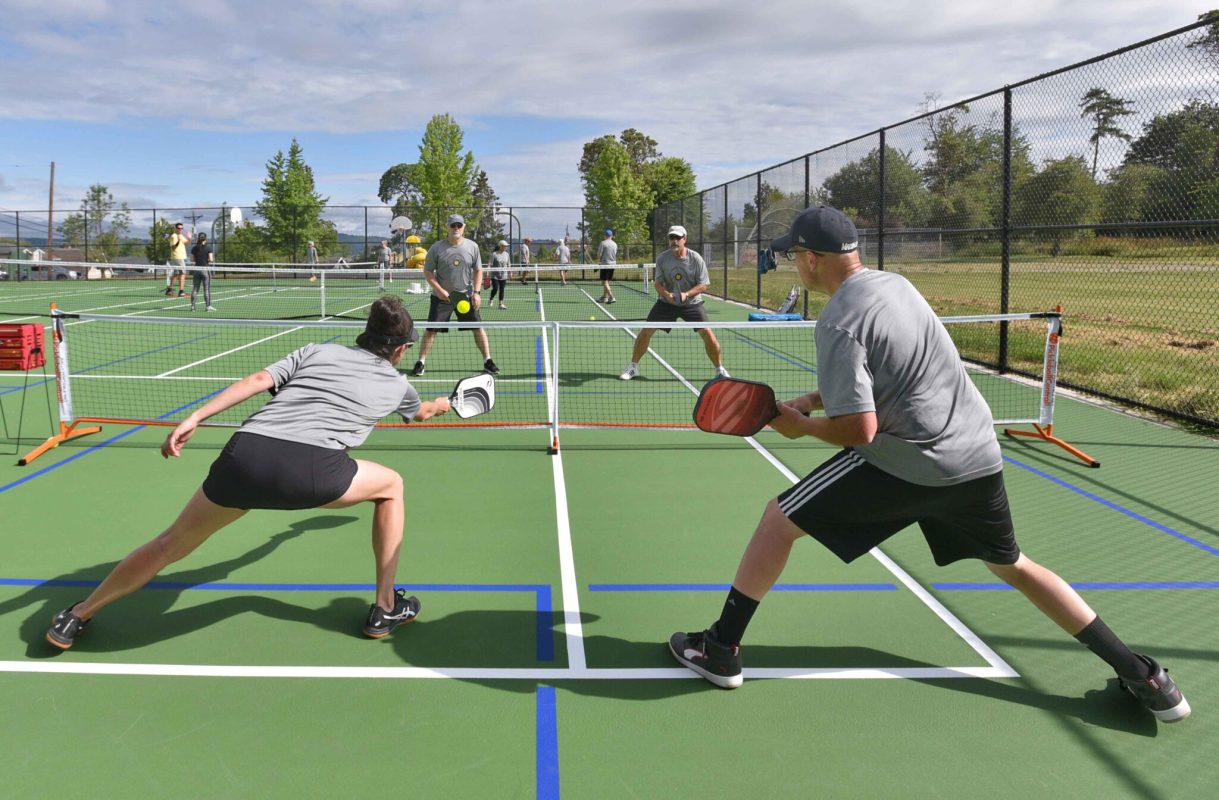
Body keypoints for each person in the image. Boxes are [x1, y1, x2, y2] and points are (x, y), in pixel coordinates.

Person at [667, 205, 1190, 724]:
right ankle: (1148, 680)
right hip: (977, 456)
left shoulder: (837, 323)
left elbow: (861, 431)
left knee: (777, 522)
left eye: (793, 255)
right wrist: (812, 399)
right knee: (1014, 567)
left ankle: (720, 649)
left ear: (812, 259)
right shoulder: (897, 285)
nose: (792, 264)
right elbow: (891, 376)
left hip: (909, 462)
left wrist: (801, 427)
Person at [45, 295, 453, 650]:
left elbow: (260, 380)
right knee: (392, 485)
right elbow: (419, 414)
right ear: (400, 350)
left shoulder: (316, 350)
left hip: (245, 458)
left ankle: (77, 615)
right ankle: (384, 608)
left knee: (169, 544)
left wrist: (196, 417)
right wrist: (444, 404)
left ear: (366, 333)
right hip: (313, 474)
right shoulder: (399, 386)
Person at [620, 225, 727, 381]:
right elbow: (658, 284)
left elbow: (704, 284)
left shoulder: (696, 258)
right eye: (672, 238)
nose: (674, 241)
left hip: (691, 304)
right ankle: (633, 367)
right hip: (666, 303)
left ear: (685, 239)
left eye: (678, 238)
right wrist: (667, 295)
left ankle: (719, 370)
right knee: (646, 332)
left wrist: (687, 294)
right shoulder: (662, 258)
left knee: (708, 335)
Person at [409, 214, 499, 376]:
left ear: (463, 227)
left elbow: (478, 270)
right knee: (431, 330)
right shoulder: (436, 248)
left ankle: (488, 361)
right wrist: (439, 290)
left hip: (466, 296)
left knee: (478, 328)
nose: (456, 228)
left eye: (459, 225)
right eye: (453, 225)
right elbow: (428, 271)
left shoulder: (473, 247)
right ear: (447, 227)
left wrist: (477, 293)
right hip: (442, 297)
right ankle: (420, 362)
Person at [189, 232, 216, 312]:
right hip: (205, 270)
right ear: (205, 239)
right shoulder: (208, 248)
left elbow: (193, 260)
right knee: (206, 289)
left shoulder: (194, 248)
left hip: (196, 270)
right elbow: (211, 259)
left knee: (195, 288)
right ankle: (208, 307)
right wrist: (205, 259)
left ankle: (193, 307)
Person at [165, 222, 190, 297]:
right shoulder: (174, 236)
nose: (180, 229)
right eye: (179, 228)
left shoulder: (181, 236)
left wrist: (189, 238)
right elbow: (173, 247)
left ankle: (169, 290)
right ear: (175, 228)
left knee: (176, 274)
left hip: (180, 257)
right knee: (182, 274)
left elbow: (187, 243)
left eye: (181, 228)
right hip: (177, 257)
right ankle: (181, 291)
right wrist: (178, 241)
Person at [487, 239, 510, 309]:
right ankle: (491, 298)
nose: (506, 247)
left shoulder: (507, 254)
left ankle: (501, 304)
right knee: (496, 289)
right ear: (500, 246)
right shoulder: (494, 254)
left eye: (506, 246)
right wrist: (487, 272)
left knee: (502, 289)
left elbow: (509, 264)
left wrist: (510, 272)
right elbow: (489, 264)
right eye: (504, 246)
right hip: (495, 275)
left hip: (504, 275)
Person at [597, 229, 617, 303]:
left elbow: (599, 254)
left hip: (605, 265)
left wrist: (599, 262)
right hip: (613, 265)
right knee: (607, 282)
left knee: (604, 282)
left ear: (605, 235)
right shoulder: (615, 244)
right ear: (611, 236)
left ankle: (612, 297)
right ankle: (604, 297)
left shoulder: (603, 243)